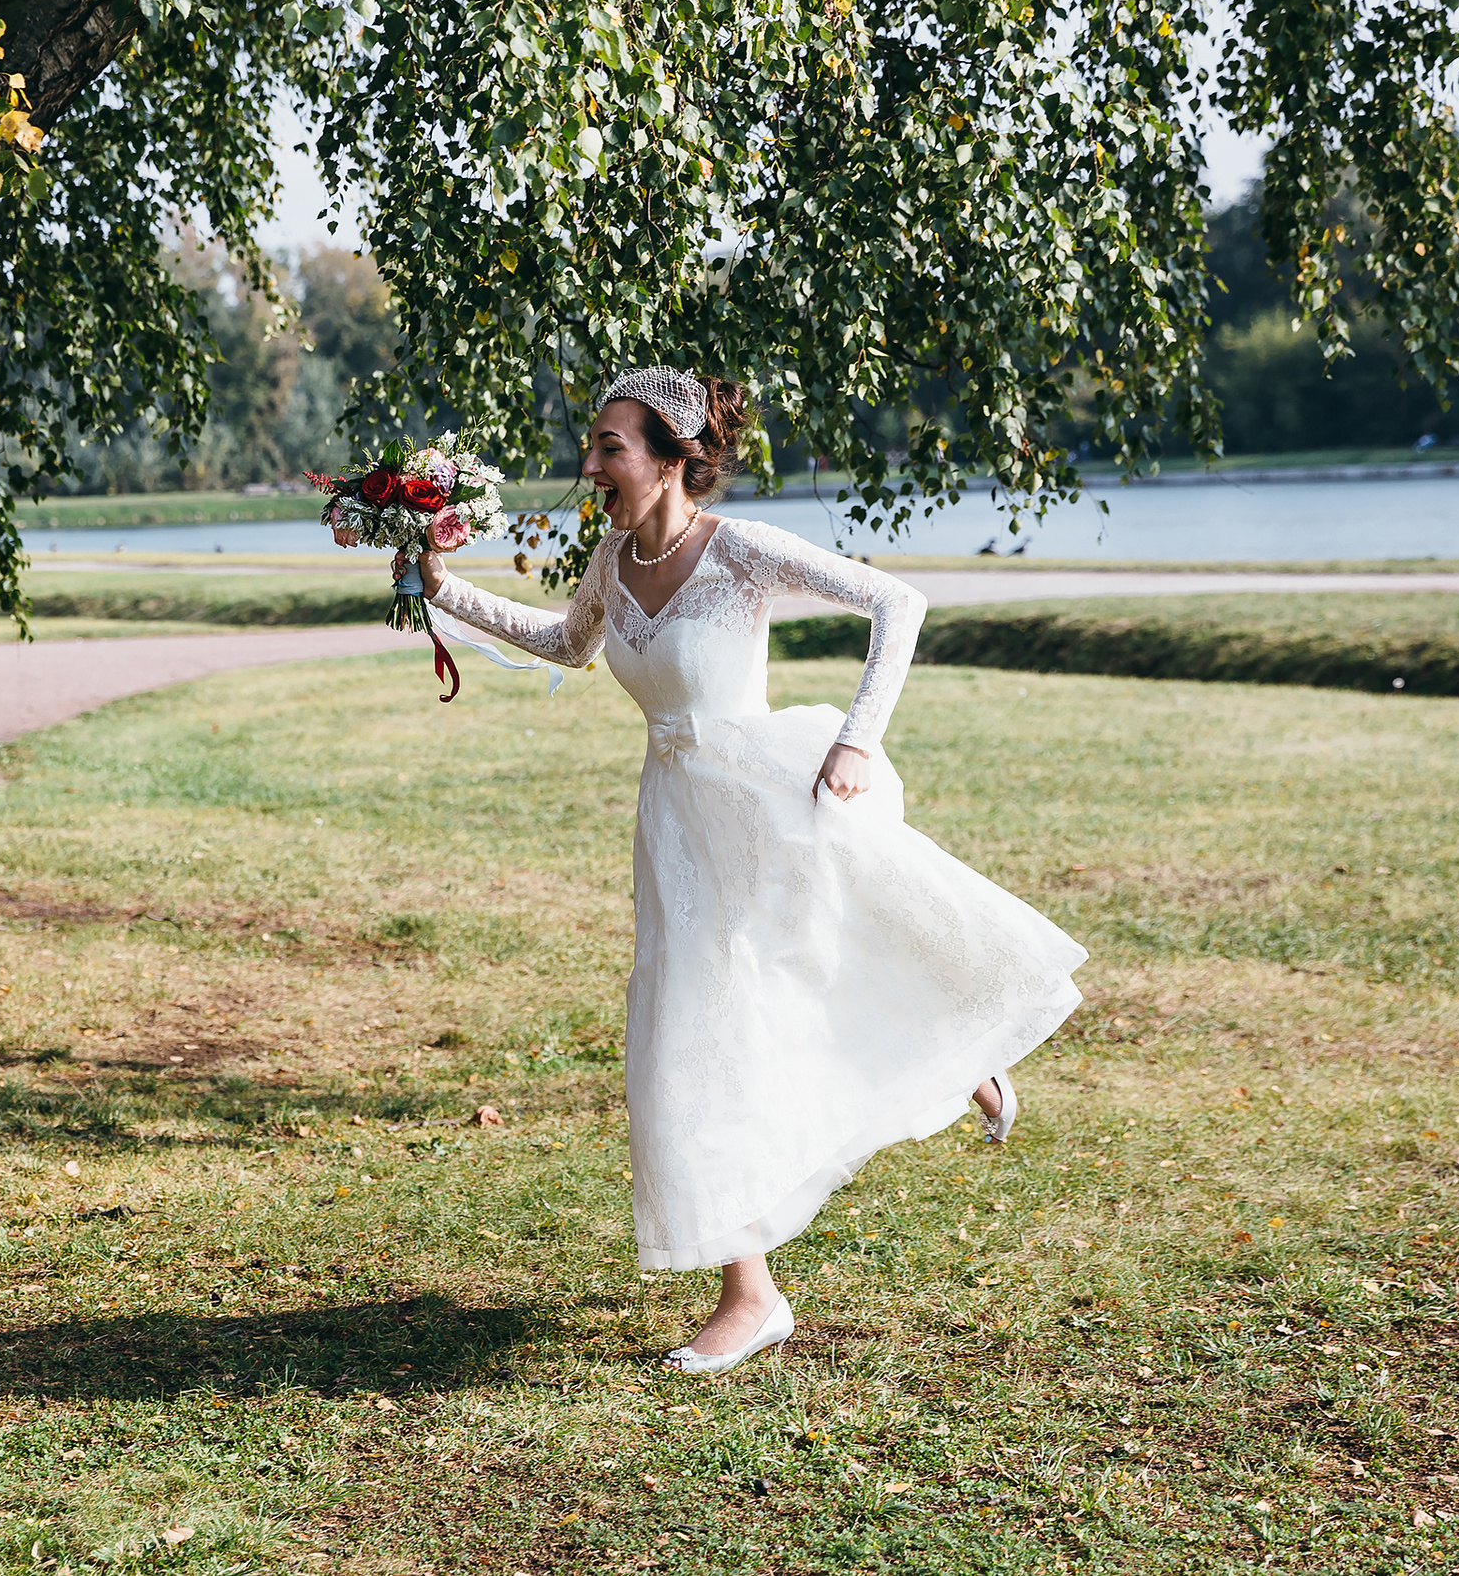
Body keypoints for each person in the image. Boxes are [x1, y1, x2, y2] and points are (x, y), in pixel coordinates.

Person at [409, 367, 1086, 1371]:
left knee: (825, 962)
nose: (591, 463)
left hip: (768, 795)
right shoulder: (611, 557)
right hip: (678, 823)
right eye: (592, 446)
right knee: (695, 1031)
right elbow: (563, 642)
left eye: (611, 447)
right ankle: (753, 1290)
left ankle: (951, 1062)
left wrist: (859, 741)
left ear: (674, 456)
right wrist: (440, 589)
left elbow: (895, 603)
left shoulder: (738, 553)